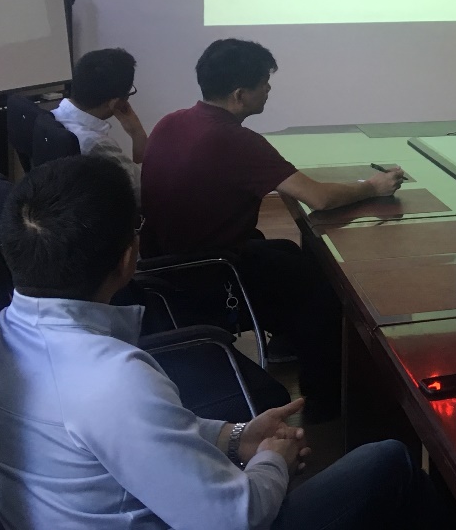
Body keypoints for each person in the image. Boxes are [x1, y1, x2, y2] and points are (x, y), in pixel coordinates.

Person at [0, 155, 442, 530]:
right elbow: (232, 518)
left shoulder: (9, 339)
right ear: (129, 256)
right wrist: (274, 461)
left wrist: (235, 437)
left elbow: (142, 434)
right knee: (390, 461)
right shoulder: (113, 379)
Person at [141, 38, 404, 420]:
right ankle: (326, 402)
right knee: (326, 293)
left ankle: (286, 341)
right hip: (208, 277)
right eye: (264, 82)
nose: (268, 89)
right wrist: (372, 187)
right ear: (240, 94)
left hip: (164, 271)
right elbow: (318, 198)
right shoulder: (233, 140)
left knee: (287, 253)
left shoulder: (171, 122)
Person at [51, 47, 147, 198]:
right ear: (115, 103)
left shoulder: (53, 116)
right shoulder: (97, 144)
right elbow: (143, 192)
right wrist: (138, 134)